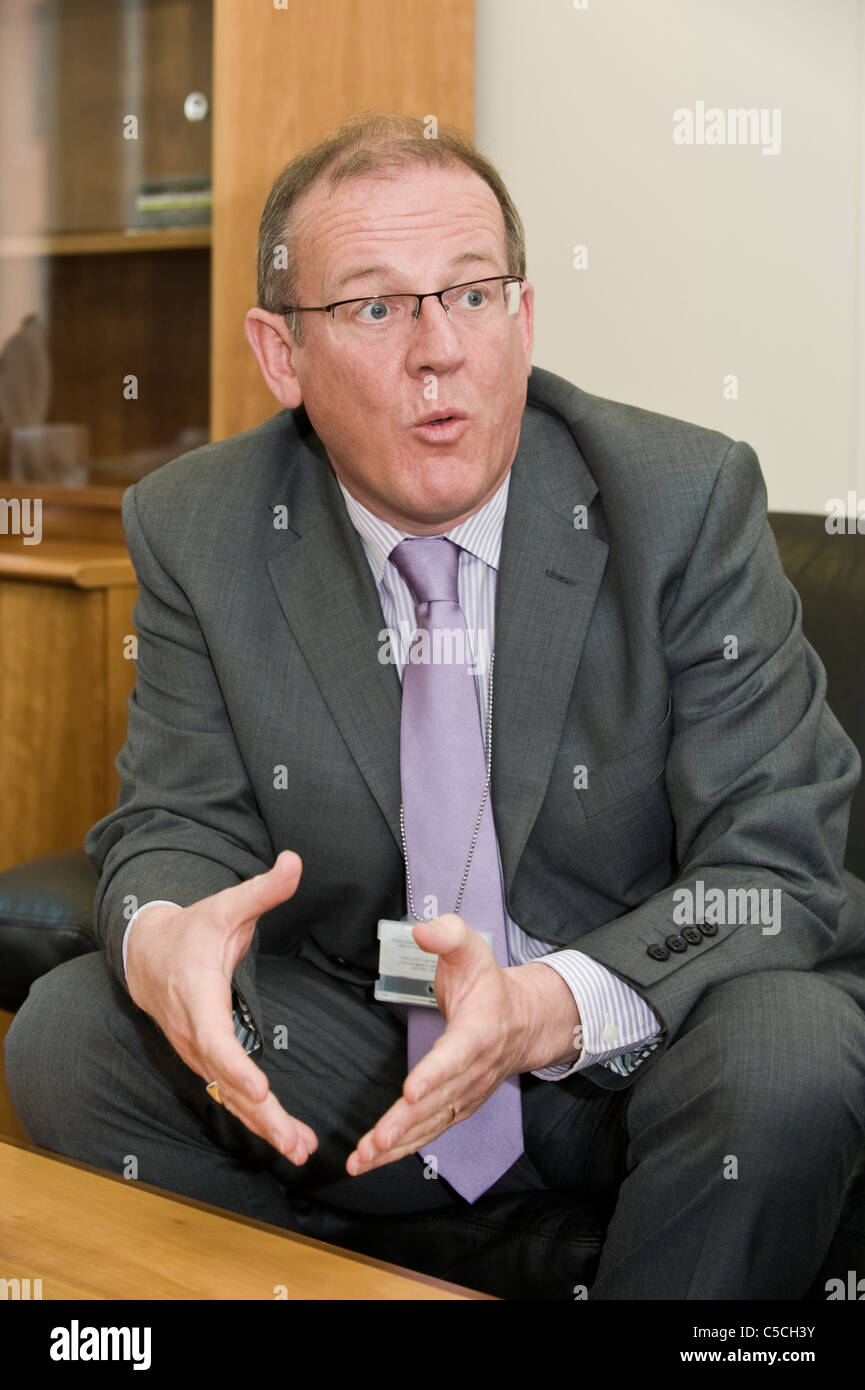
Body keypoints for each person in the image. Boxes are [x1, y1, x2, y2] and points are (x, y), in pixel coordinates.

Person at [6, 112, 865, 1300]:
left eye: (471, 295)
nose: (437, 351)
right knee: (74, 1024)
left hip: (624, 1062)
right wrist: (167, 933)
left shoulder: (681, 500)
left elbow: (779, 861)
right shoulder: (201, 523)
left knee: (788, 1044)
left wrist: (538, 1010)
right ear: (280, 355)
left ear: (523, 318)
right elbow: (177, 821)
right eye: (373, 307)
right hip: (360, 1057)